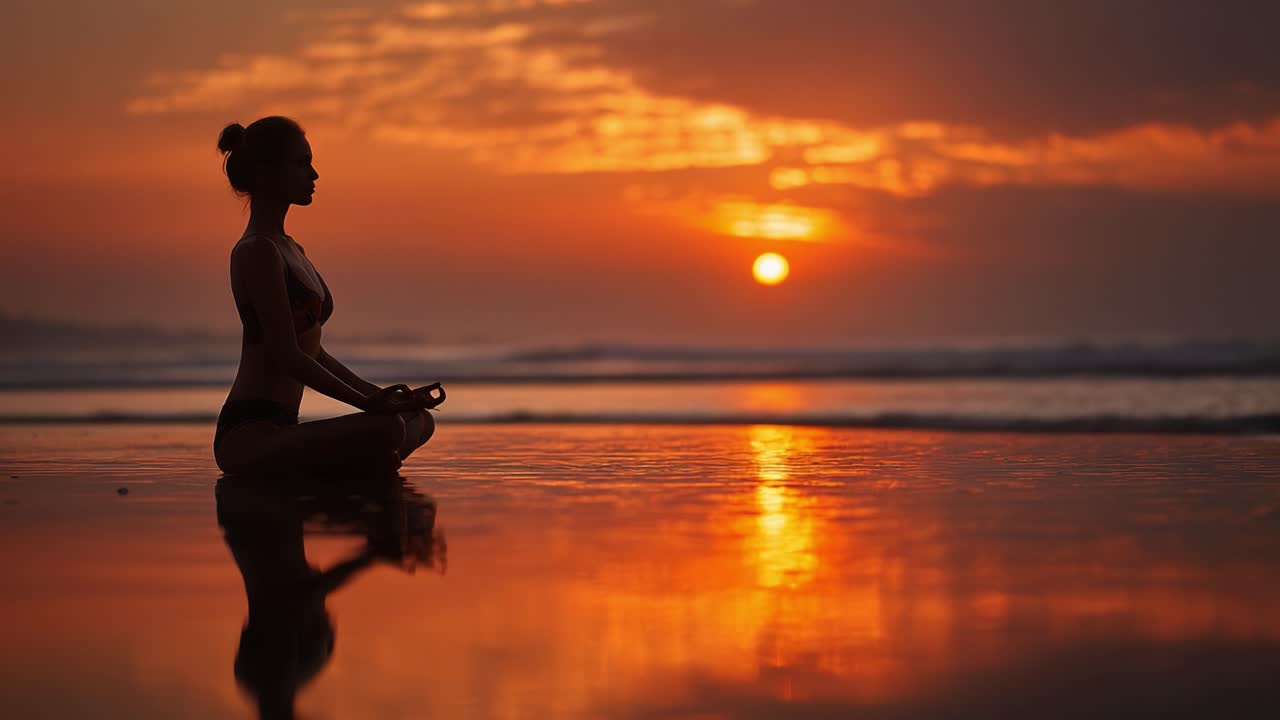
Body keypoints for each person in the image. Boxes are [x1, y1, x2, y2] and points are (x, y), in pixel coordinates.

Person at [212, 116, 444, 475]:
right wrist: (368, 404)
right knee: (387, 429)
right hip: (250, 434)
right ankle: (364, 466)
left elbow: (313, 352)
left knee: (418, 419)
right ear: (266, 172)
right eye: (302, 163)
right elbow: (287, 356)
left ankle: (362, 464)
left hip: (284, 429)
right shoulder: (256, 251)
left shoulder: (291, 248)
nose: (315, 174)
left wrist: (383, 396)